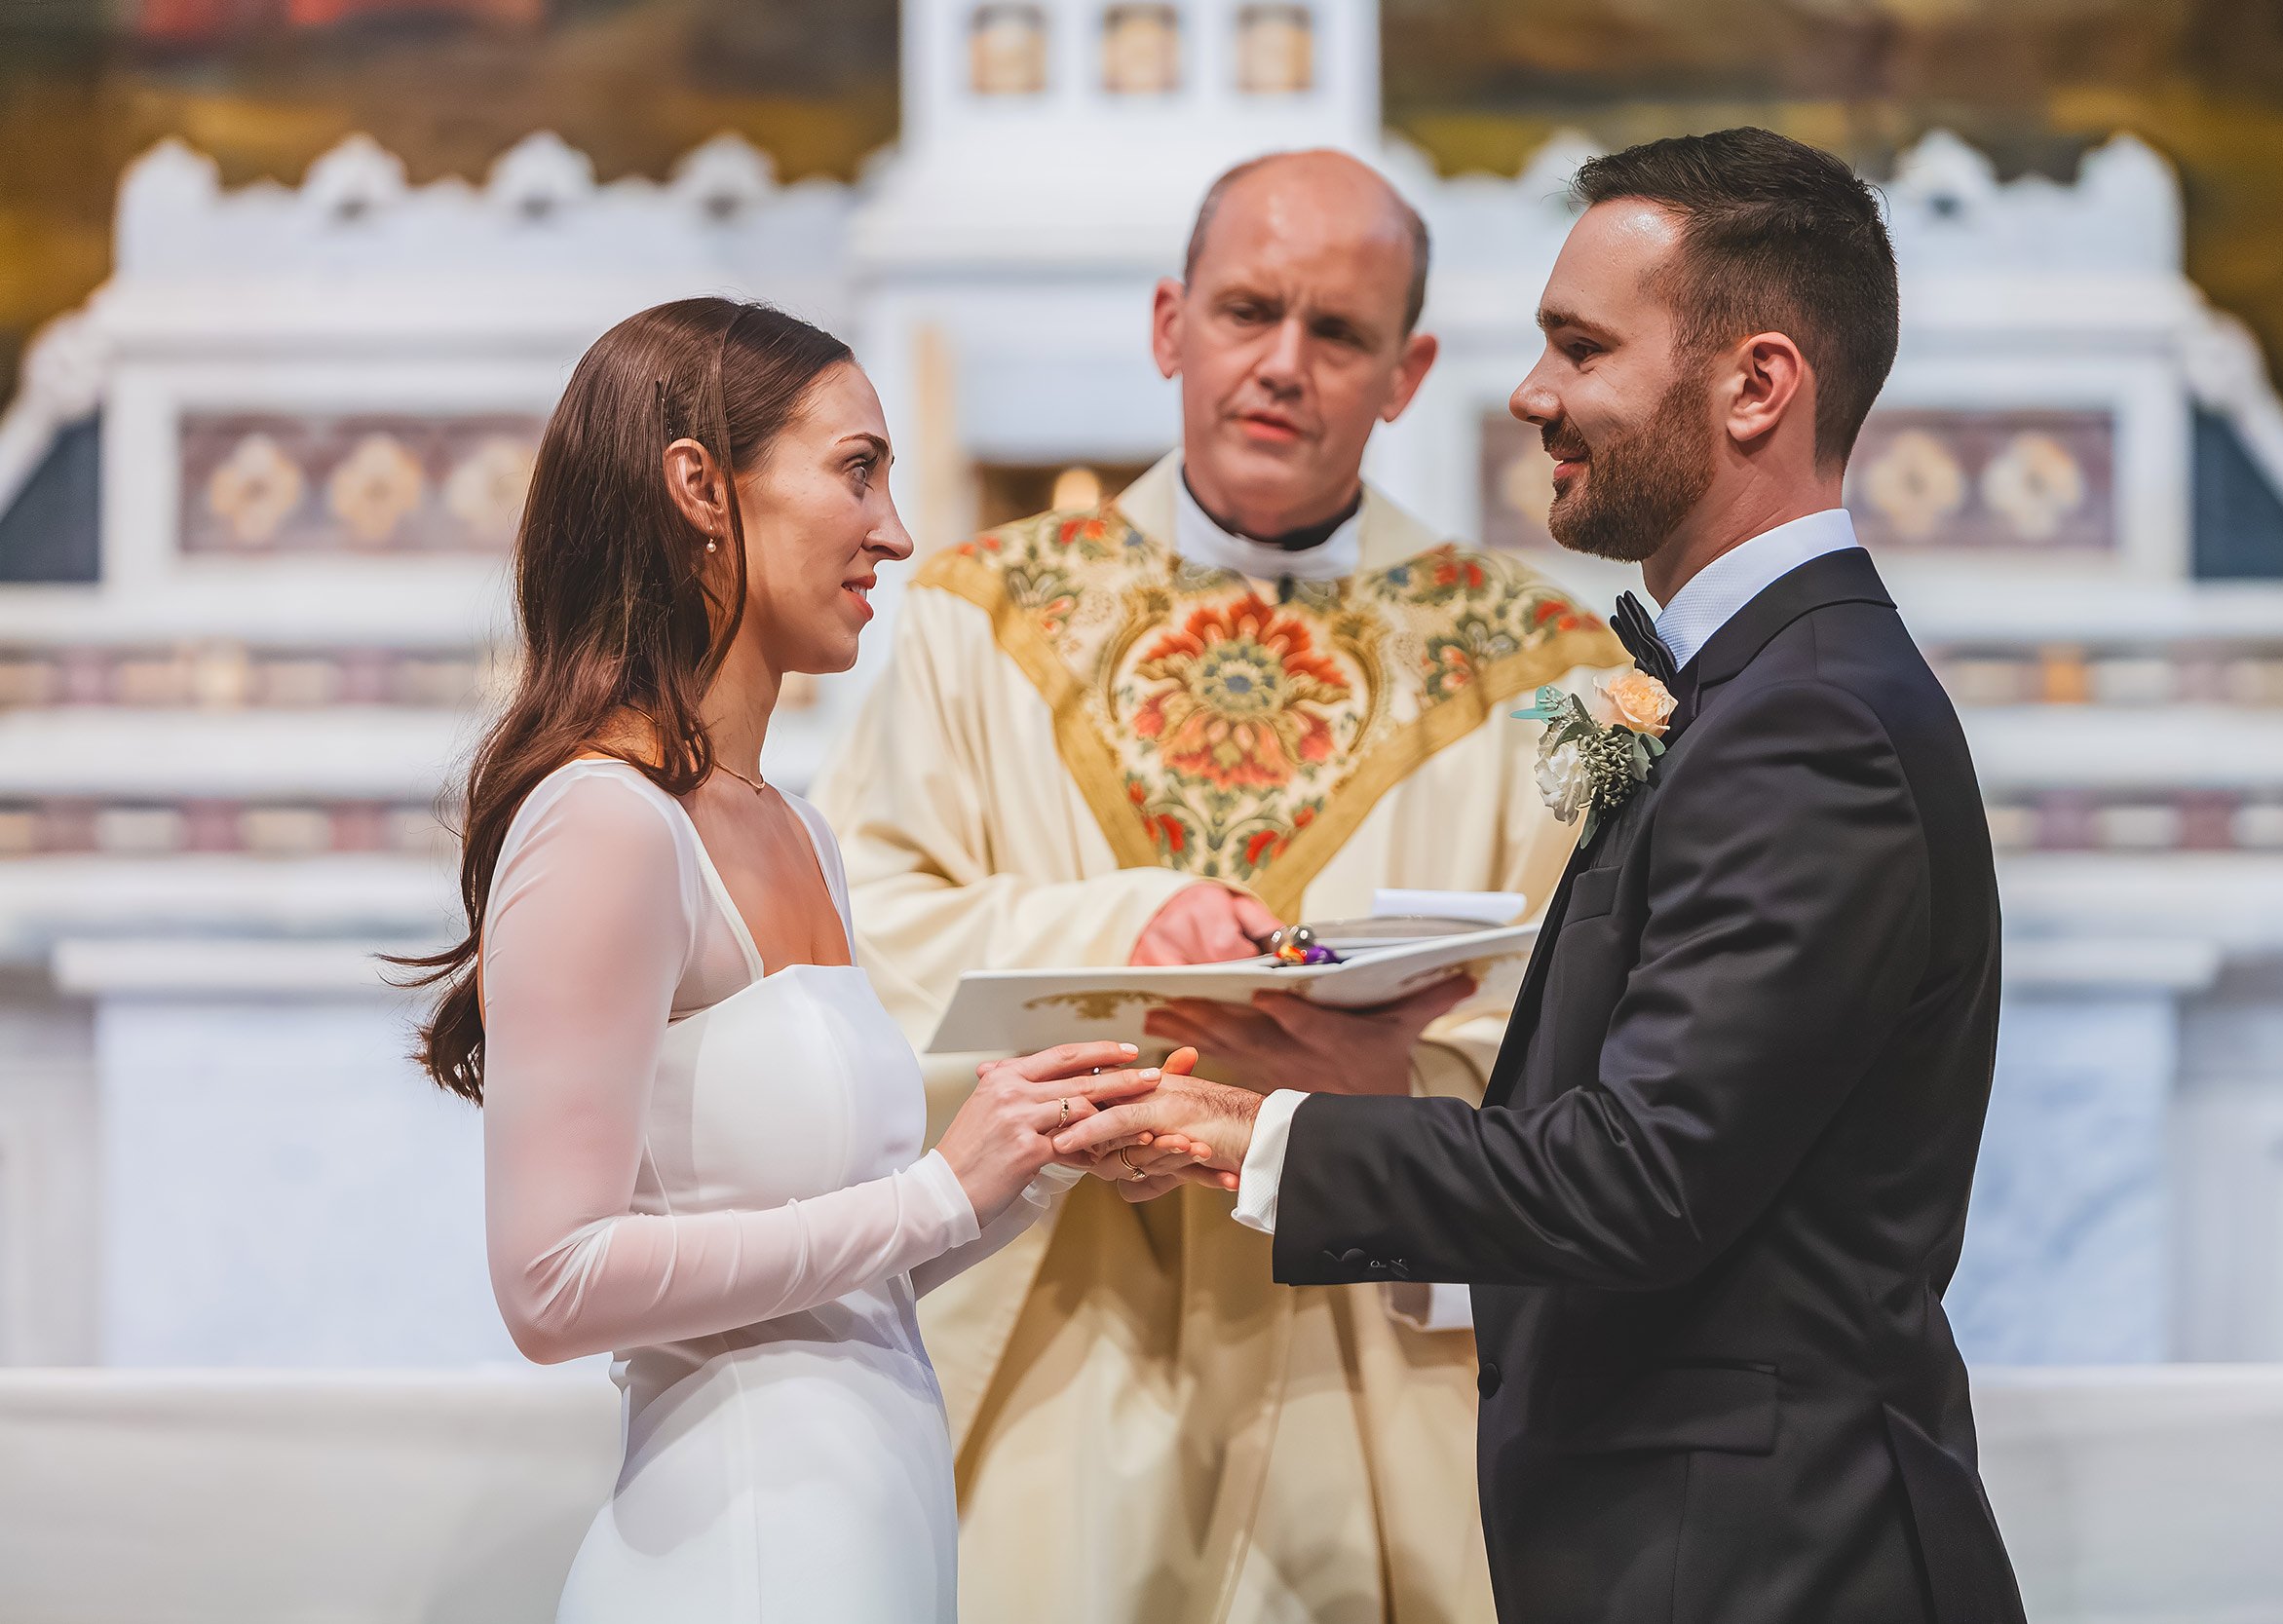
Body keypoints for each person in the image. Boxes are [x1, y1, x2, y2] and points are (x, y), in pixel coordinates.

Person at [1060, 129, 2030, 1624]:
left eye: (1581, 348)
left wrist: (1254, 1135)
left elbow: (1644, 1177)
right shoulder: (1753, 693)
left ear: (1756, 383)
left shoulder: (1813, 723)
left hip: (1772, 1564)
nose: (1534, 396)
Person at [821, 152, 1621, 1621]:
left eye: (1338, 335)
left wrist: (1400, 1073)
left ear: (1408, 372)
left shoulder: (1548, 674)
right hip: (1056, 1339)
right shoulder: (974, 618)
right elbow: (857, 946)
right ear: (1168, 325)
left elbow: (1605, 1052)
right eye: (1248, 312)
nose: (1282, 367)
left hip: (1373, 1364)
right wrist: (1117, 928)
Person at [400, 297, 1199, 1622]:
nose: (895, 530)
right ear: (702, 488)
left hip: (869, 1540)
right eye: (858, 470)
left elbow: (838, 1289)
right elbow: (552, 1283)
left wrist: (1039, 1163)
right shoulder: (605, 821)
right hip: (735, 1553)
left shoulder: (797, 832)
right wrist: (943, 1189)